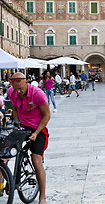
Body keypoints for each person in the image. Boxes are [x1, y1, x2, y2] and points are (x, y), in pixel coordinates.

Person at [8, 72, 50, 204]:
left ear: (27, 82)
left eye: (20, 88)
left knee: (36, 161)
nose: (18, 92)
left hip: (39, 128)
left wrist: (36, 133)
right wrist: (16, 124)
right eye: (16, 88)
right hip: (22, 127)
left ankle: (42, 197)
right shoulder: (11, 92)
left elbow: (47, 116)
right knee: (4, 154)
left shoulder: (37, 94)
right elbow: (15, 108)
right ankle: (2, 184)